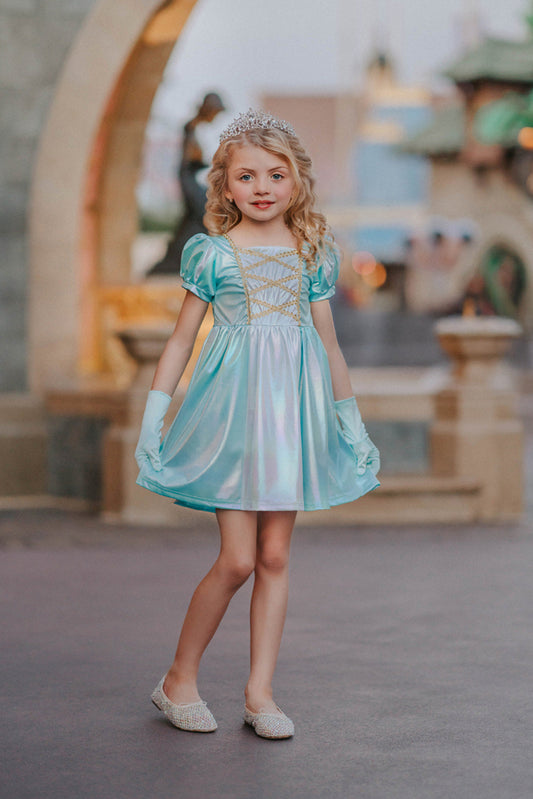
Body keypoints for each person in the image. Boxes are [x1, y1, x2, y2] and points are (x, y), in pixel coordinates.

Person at [135, 109, 380, 739]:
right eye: (247, 176)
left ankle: (259, 691)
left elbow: (328, 348)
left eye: (276, 174)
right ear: (226, 185)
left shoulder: (311, 254)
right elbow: (180, 341)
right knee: (238, 559)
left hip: (291, 421)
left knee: (275, 556)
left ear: (297, 181)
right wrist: (154, 419)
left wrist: (350, 423)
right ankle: (177, 679)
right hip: (235, 420)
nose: (263, 187)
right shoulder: (212, 255)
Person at [148, 92, 225, 276]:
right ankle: (180, 257)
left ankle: (189, 255)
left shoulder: (194, 130)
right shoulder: (190, 128)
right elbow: (188, 159)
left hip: (191, 177)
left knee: (199, 218)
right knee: (200, 213)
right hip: (187, 178)